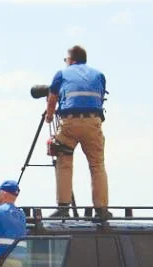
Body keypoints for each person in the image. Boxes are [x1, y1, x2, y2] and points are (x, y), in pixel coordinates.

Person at [45, 45, 111, 219]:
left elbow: (52, 100)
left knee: (64, 162)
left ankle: (63, 207)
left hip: (70, 123)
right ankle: (102, 210)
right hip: (93, 122)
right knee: (97, 165)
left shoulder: (61, 74)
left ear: (71, 60)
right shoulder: (98, 74)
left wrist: (49, 116)